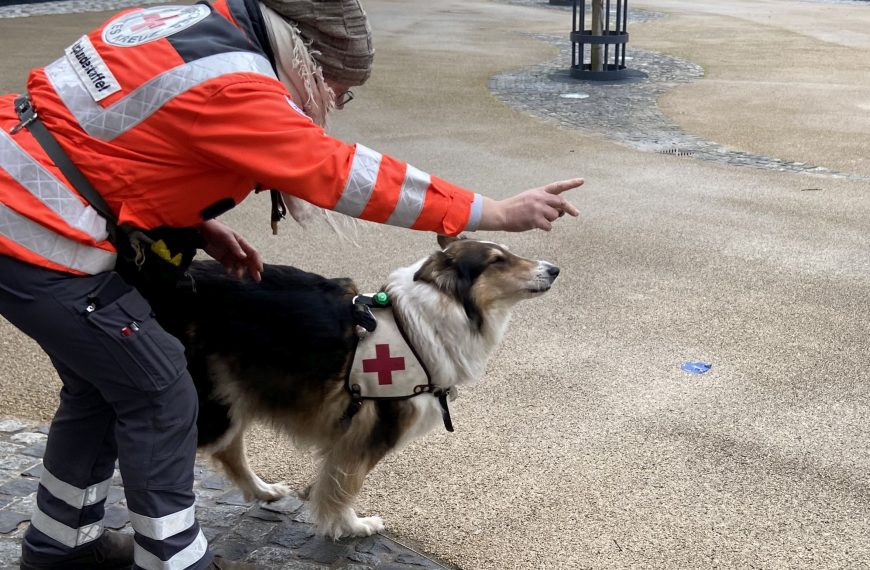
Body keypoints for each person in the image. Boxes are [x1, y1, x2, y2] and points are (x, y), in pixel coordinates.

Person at [0, 0, 582, 568]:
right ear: (306, 55)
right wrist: (491, 211)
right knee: (160, 394)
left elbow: (100, 141)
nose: (330, 103)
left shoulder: (186, 26)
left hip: (21, 202)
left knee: (100, 390)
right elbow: (340, 172)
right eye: (335, 89)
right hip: (41, 239)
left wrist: (196, 225)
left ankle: (61, 548)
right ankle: (174, 559)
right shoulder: (239, 80)